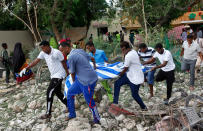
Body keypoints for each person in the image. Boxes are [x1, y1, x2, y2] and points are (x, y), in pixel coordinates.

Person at [20, 41, 69, 119]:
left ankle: (48, 113)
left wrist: (67, 73)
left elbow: (63, 62)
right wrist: (26, 68)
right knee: (57, 92)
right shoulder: (43, 53)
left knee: (49, 92)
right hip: (53, 75)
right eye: (41, 48)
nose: (42, 49)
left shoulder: (56, 52)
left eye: (43, 48)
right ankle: (69, 105)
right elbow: (36, 61)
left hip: (60, 74)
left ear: (47, 46)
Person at [59, 42, 100, 125]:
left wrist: (74, 82)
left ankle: (97, 119)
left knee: (89, 100)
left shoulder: (71, 57)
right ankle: (72, 114)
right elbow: (92, 58)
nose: (62, 53)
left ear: (67, 48)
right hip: (83, 79)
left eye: (62, 51)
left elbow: (72, 73)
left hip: (87, 81)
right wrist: (94, 67)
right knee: (70, 93)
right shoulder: (80, 50)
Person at [113, 41, 147, 110]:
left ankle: (144, 107)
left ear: (126, 48)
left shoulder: (129, 55)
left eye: (123, 50)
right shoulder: (133, 52)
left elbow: (125, 68)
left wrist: (119, 75)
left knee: (134, 95)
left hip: (135, 78)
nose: (122, 51)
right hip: (130, 75)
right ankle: (115, 102)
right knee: (117, 83)